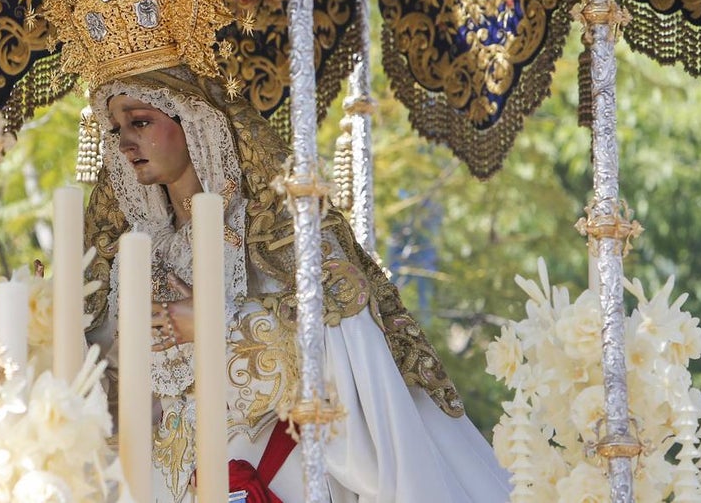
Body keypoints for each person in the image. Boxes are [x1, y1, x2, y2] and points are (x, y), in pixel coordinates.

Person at [82, 66, 512, 502]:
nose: (123, 142)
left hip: (267, 465)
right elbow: (106, 380)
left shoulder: (272, 228)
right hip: (166, 476)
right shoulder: (134, 252)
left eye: (140, 122)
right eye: (116, 128)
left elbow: (342, 334)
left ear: (193, 121)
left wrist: (220, 327)